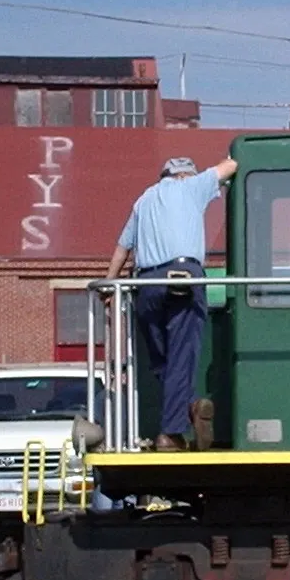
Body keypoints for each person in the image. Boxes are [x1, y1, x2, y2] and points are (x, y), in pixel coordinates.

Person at [105, 154, 237, 451]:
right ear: (185, 175)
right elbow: (231, 166)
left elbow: (122, 246)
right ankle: (171, 433)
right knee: (182, 355)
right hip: (183, 279)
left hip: (146, 284)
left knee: (162, 361)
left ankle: (189, 406)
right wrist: (231, 159)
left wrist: (109, 285)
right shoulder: (193, 186)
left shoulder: (143, 199)